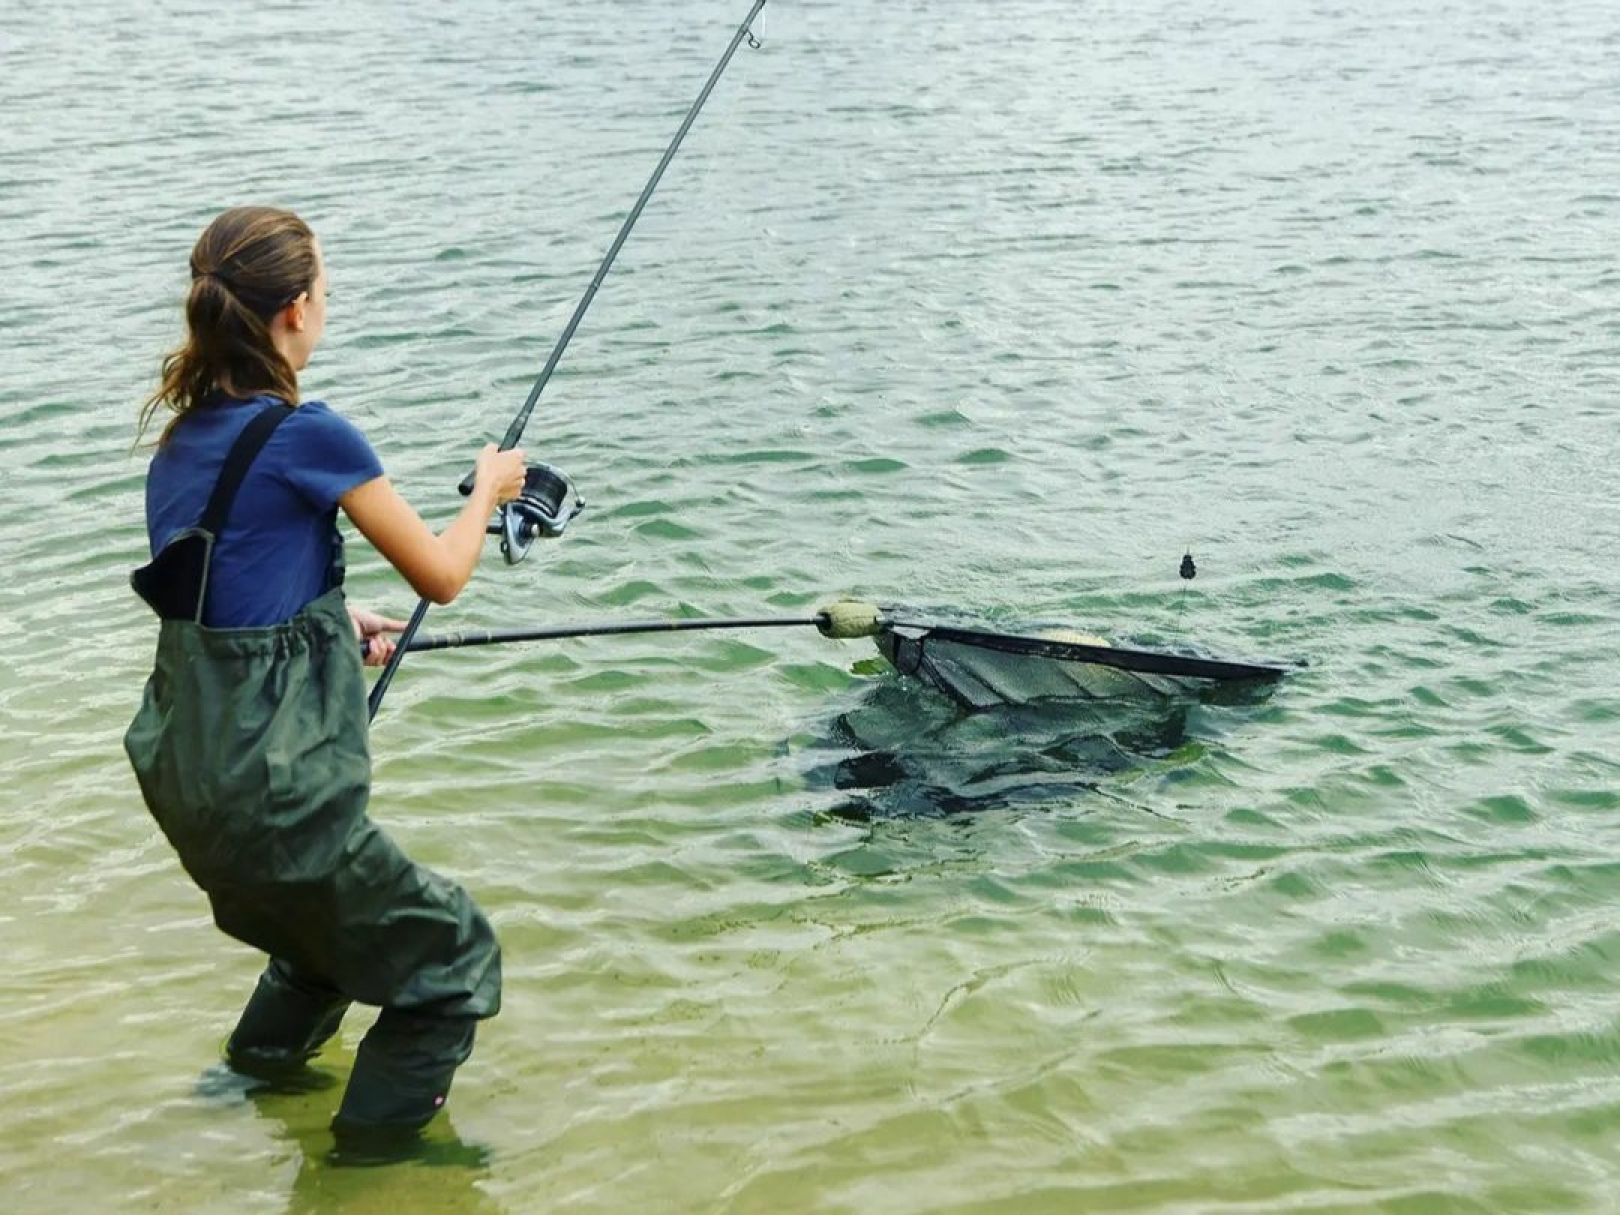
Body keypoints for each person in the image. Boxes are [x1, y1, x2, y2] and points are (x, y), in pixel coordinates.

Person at [124, 205, 526, 1146]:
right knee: (453, 956)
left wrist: (329, 621)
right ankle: (367, 1174)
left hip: (192, 785)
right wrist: (489, 485)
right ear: (297, 309)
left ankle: (242, 1092)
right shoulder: (312, 434)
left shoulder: (180, 442)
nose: (326, 309)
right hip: (277, 800)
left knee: (320, 949)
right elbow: (442, 575)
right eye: (328, 295)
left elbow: (220, 597)